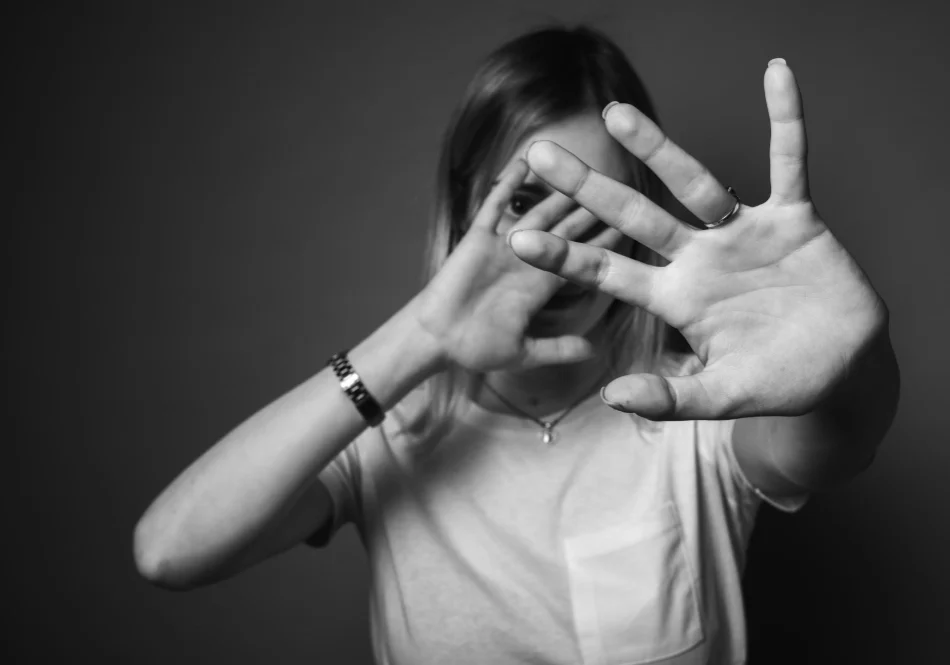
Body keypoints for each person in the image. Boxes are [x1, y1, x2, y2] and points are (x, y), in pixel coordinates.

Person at [133, 25, 900, 665]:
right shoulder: (390, 428)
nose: (553, 249)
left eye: (598, 209)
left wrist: (846, 357)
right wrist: (424, 335)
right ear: (463, 204)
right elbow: (170, 550)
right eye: (527, 204)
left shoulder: (697, 408)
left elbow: (839, 439)